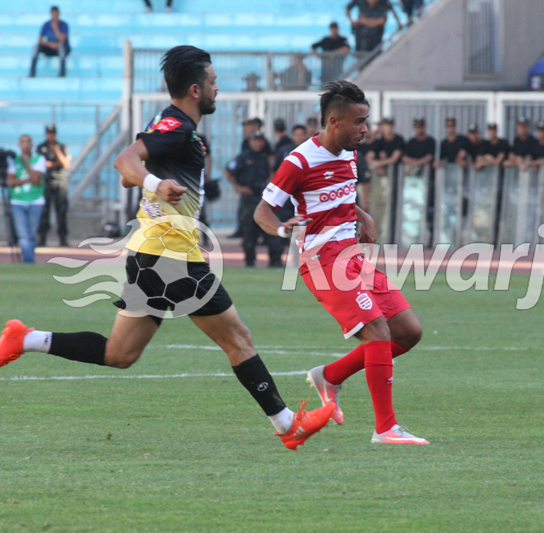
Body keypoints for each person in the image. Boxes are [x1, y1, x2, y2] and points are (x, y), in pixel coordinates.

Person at [0, 46, 334, 451]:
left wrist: (158, 176)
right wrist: (157, 184)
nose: (217, 88)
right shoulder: (175, 127)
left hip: (150, 256)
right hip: (171, 258)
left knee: (120, 353)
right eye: (212, 82)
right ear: (195, 89)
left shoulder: (174, 127)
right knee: (238, 339)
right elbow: (124, 163)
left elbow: (130, 175)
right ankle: (287, 426)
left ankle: (25, 338)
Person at [255, 80, 428, 445]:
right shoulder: (299, 161)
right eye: (359, 122)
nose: (365, 129)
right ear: (334, 122)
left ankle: (330, 375)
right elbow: (263, 211)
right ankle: (385, 429)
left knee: (408, 331)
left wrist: (361, 215)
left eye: (366, 120)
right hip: (322, 261)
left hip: (351, 255)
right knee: (378, 333)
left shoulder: (349, 152)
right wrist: (280, 229)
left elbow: (341, 195)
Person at [228, 130, 280, 268]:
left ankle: (275, 261)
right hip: (249, 200)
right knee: (249, 233)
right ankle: (250, 262)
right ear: (250, 141)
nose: (257, 143)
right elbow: (228, 171)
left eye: (260, 140)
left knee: (271, 230)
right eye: (255, 140)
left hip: (266, 199)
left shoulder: (268, 158)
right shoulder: (243, 157)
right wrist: (238, 187)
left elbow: (275, 172)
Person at [6, 135, 47, 263]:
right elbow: (11, 181)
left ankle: (28, 257)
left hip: (35, 200)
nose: (25, 145)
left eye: (28, 142)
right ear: (19, 144)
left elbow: (36, 178)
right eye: (22, 142)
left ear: (32, 144)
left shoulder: (39, 159)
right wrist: (28, 180)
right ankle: (29, 261)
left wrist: (27, 163)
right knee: (23, 234)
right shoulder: (13, 160)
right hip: (18, 201)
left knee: (31, 234)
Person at [36, 124, 71, 247]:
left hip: (60, 181)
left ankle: (63, 238)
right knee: (44, 212)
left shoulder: (62, 146)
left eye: (53, 133)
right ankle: (42, 238)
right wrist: (56, 164)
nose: (51, 135)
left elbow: (65, 164)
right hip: (46, 182)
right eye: (49, 133)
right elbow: (42, 164)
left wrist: (56, 152)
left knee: (61, 212)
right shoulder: (41, 147)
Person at [29, 6, 70, 78]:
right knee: (37, 47)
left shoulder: (64, 25)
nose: (55, 16)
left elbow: (62, 39)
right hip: (51, 47)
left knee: (61, 46)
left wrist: (55, 27)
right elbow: (40, 39)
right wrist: (50, 44)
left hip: (62, 49)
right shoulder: (46, 24)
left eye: (56, 14)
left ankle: (62, 72)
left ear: (59, 14)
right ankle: (32, 72)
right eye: (53, 14)